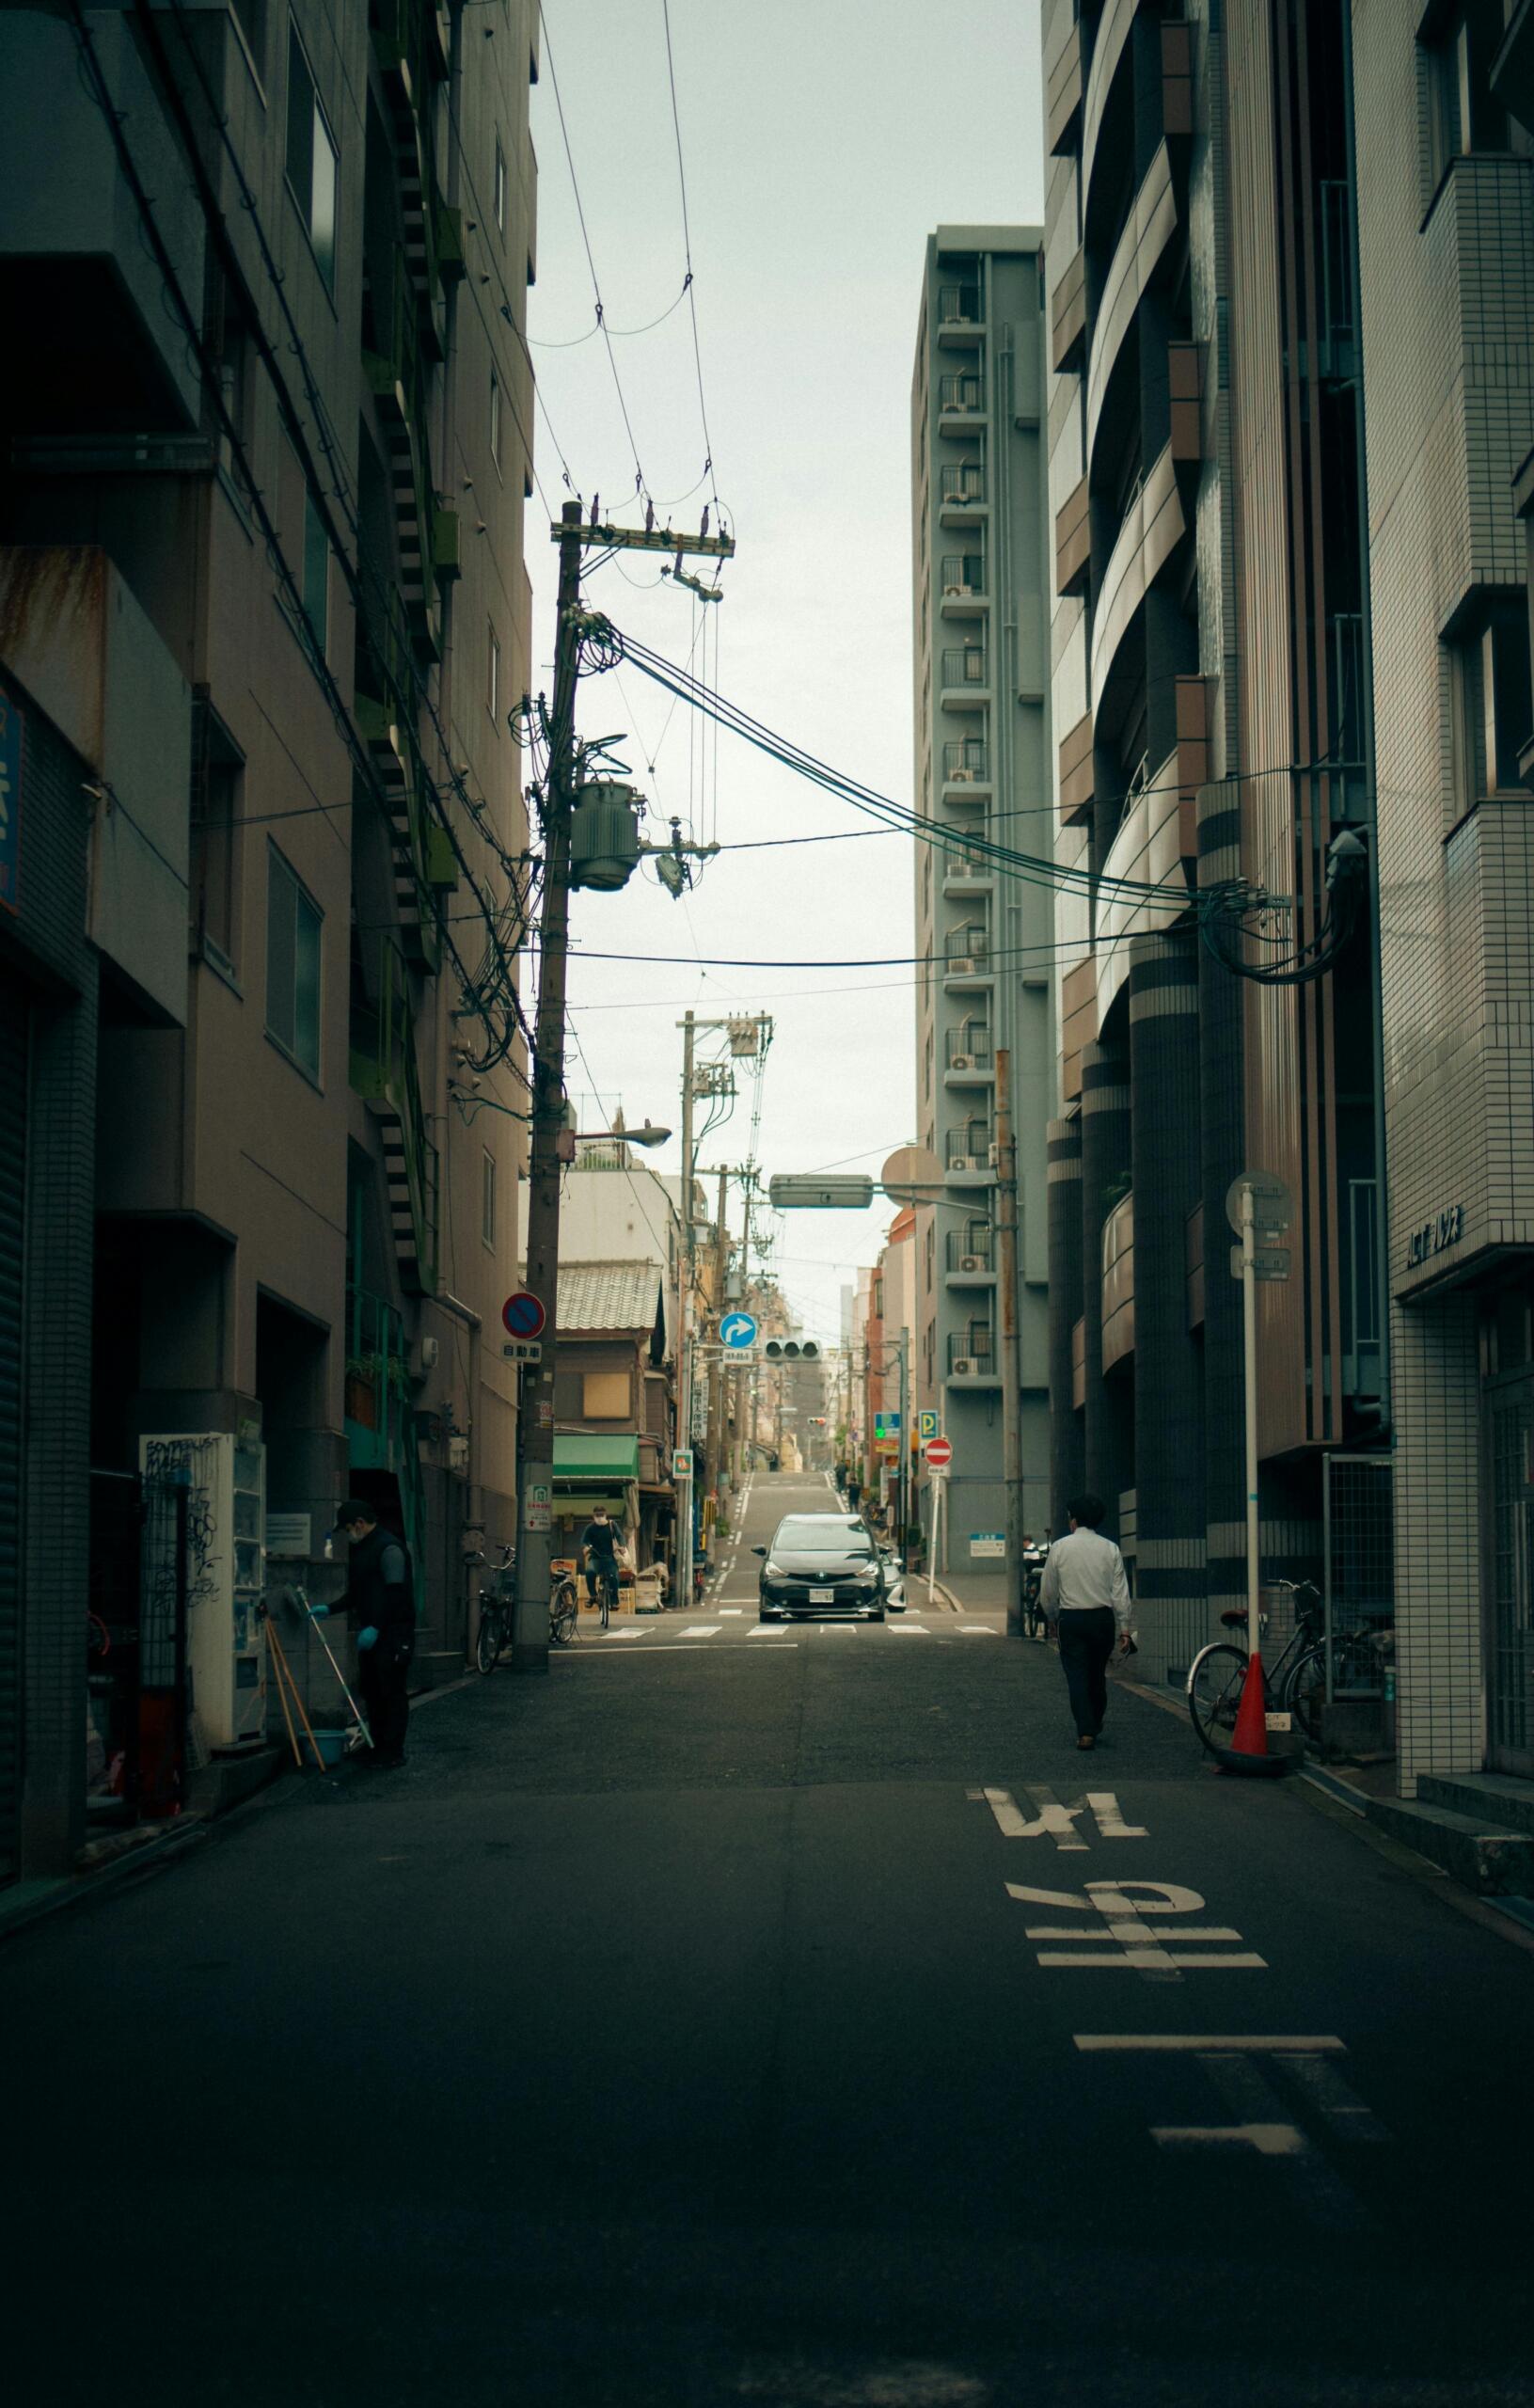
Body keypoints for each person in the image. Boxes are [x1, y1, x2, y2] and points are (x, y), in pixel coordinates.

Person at [310, 1499, 415, 1769]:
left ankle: (393, 1751)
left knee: (391, 1693)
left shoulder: (389, 1548)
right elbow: (358, 1594)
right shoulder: (364, 1550)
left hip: (393, 1635)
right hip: (374, 1634)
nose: (347, 1535)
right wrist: (329, 1609)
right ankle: (376, 1746)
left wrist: (376, 1627)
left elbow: (396, 1594)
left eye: (347, 1529)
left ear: (359, 1523)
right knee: (372, 1690)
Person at [1038, 1493, 1132, 1750]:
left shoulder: (1060, 1548)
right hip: (1102, 1619)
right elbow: (1120, 1593)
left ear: (1074, 1520)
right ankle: (1095, 1721)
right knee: (1097, 1674)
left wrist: (1052, 1616)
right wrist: (1125, 1629)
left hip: (1072, 1618)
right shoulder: (1110, 1548)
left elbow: (1048, 1590)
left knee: (1077, 1676)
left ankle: (1085, 1731)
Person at [580, 1506, 621, 1615]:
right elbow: (584, 1541)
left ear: (606, 1515)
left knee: (614, 1576)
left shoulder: (612, 1525)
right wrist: (586, 1547)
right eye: (597, 1516)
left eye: (601, 1515)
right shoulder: (590, 1528)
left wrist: (622, 1546)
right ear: (593, 1516)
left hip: (609, 1558)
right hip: (595, 1558)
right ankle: (593, 1596)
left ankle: (614, 1601)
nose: (599, 1518)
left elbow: (620, 1536)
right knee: (589, 1572)